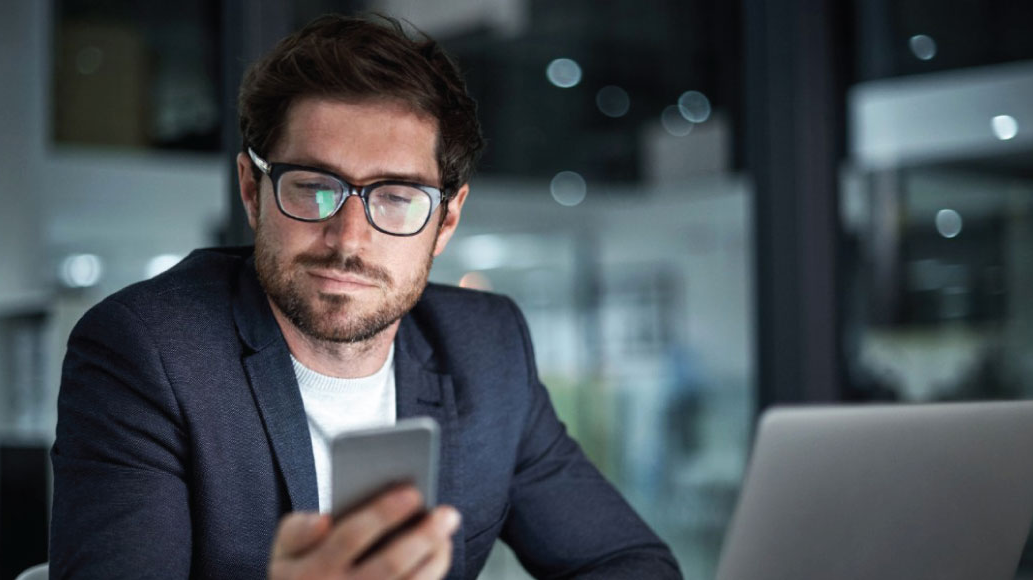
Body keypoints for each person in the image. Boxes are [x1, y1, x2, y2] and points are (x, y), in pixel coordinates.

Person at [50, 13, 680, 580]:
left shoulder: (487, 348)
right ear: (251, 190)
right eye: (312, 187)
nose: (348, 239)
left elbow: (629, 563)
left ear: (447, 220)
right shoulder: (147, 353)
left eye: (398, 198)